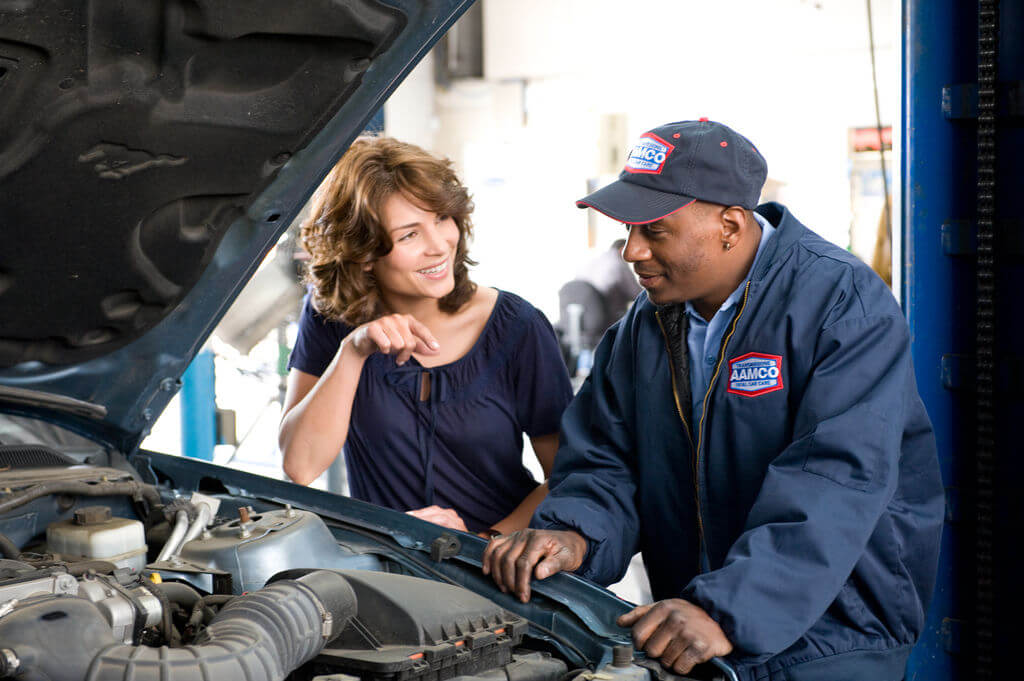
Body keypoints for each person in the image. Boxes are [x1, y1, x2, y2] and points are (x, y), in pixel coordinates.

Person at [481, 120, 943, 681]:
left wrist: (728, 610)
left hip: (832, 637)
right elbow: (606, 460)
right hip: (692, 629)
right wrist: (574, 534)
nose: (631, 251)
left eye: (654, 230)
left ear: (729, 224)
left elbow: (834, 478)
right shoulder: (642, 328)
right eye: (628, 229)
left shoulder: (839, 301)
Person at [279, 136, 572, 537]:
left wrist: (482, 546)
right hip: (388, 568)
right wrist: (353, 351)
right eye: (409, 235)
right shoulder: (330, 315)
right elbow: (300, 466)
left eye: (441, 219)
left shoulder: (518, 327)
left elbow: (567, 477)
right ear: (363, 254)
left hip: (500, 566)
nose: (438, 246)